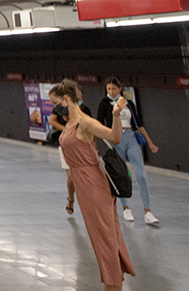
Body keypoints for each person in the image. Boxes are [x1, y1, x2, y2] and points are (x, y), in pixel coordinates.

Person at [53, 78, 134, 291]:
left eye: (55, 102)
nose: (54, 107)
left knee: (105, 242)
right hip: (84, 187)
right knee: (101, 242)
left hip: (93, 185)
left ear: (66, 99)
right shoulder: (70, 123)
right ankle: (112, 284)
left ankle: (113, 286)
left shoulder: (85, 122)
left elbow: (114, 137)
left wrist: (115, 115)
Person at [96, 77, 160, 225]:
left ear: (120, 89)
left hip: (131, 138)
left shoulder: (129, 103)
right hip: (116, 139)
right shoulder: (104, 104)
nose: (111, 91)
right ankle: (125, 208)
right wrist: (107, 139)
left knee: (141, 175)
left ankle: (148, 211)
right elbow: (99, 124)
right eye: (109, 89)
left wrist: (150, 143)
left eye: (114, 89)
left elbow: (139, 124)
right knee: (121, 174)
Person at [48, 86, 92, 215]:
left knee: (85, 176)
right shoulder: (60, 108)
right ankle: (71, 198)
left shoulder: (85, 110)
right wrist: (66, 129)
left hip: (81, 145)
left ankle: (87, 202)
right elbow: (52, 121)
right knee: (71, 176)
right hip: (66, 144)